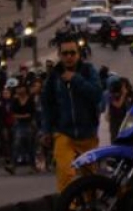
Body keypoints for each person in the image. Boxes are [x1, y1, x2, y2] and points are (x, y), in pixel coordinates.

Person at [39, 37, 104, 192]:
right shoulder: (54, 76)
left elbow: (96, 94)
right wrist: (46, 131)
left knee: (89, 178)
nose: (69, 57)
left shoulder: (88, 71)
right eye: (65, 53)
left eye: (72, 53)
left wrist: (76, 79)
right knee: (65, 174)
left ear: (78, 54)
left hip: (87, 133)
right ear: (59, 55)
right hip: (64, 133)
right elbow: (47, 105)